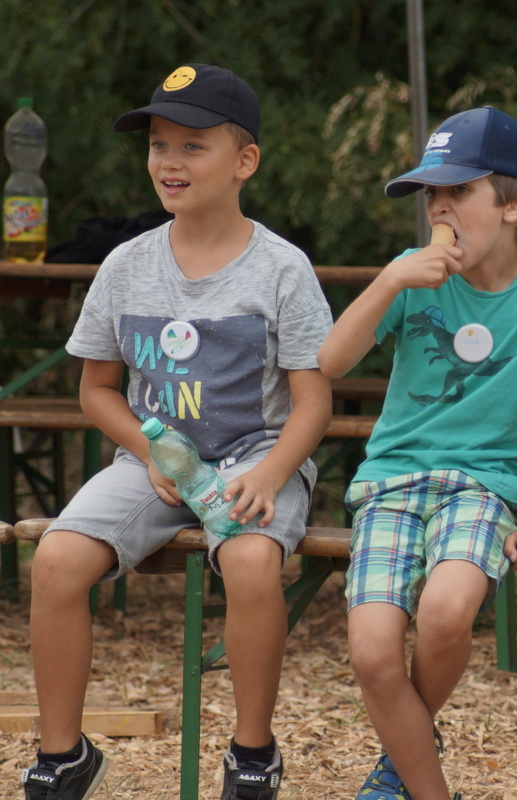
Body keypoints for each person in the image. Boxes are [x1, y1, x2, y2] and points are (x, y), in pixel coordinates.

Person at [22, 64, 333, 800]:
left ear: (244, 160)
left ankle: (252, 753)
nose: (170, 160)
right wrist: (148, 451)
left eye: (193, 145)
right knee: (55, 560)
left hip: (259, 454)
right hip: (151, 460)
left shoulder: (282, 269)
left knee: (251, 563)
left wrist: (270, 474)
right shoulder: (125, 265)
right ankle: (63, 755)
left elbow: (314, 404)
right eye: (159, 144)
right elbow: (96, 391)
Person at [317, 106, 517, 800]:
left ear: (516, 204)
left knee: (447, 614)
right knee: (372, 651)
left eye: (459, 192)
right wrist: (392, 280)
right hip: (392, 481)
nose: (439, 209)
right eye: (432, 195)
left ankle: (407, 764)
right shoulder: (411, 274)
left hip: (483, 486)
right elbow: (329, 362)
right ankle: (414, 752)